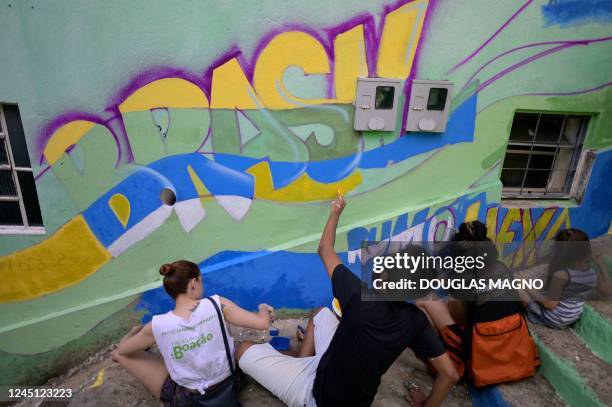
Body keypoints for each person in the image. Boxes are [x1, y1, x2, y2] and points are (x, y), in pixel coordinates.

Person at [236, 195, 459, 407]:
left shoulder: (358, 297)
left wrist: (335, 213)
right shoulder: (415, 321)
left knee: (242, 349)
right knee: (321, 314)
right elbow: (449, 374)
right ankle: (301, 359)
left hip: (314, 397)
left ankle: (298, 364)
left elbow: (324, 249)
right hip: (352, 395)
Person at [112, 260, 275, 406]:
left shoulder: (157, 325)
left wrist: (132, 335)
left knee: (121, 355)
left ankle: (134, 335)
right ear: (193, 283)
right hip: (231, 384)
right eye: (201, 280)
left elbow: (123, 350)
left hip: (189, 400)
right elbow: (263, 323)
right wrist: (262, 308)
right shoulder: (218, 304)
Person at [416, 221, 540, 387]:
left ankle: (439, 351)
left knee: (423, 301)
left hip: (483, 349)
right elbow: (524, 303)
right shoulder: (503, 268)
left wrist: (454, 296)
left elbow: (459, 318)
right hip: (514, 345)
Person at [524, 228, 611, 329]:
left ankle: (531, 314)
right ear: (587, 251)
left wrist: (528, 287)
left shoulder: (562, 275)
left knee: (518, 288)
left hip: (554, 319)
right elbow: (608, 291)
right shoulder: (592, 272)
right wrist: (601, 265)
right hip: (572, 316)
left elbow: (549, 305)